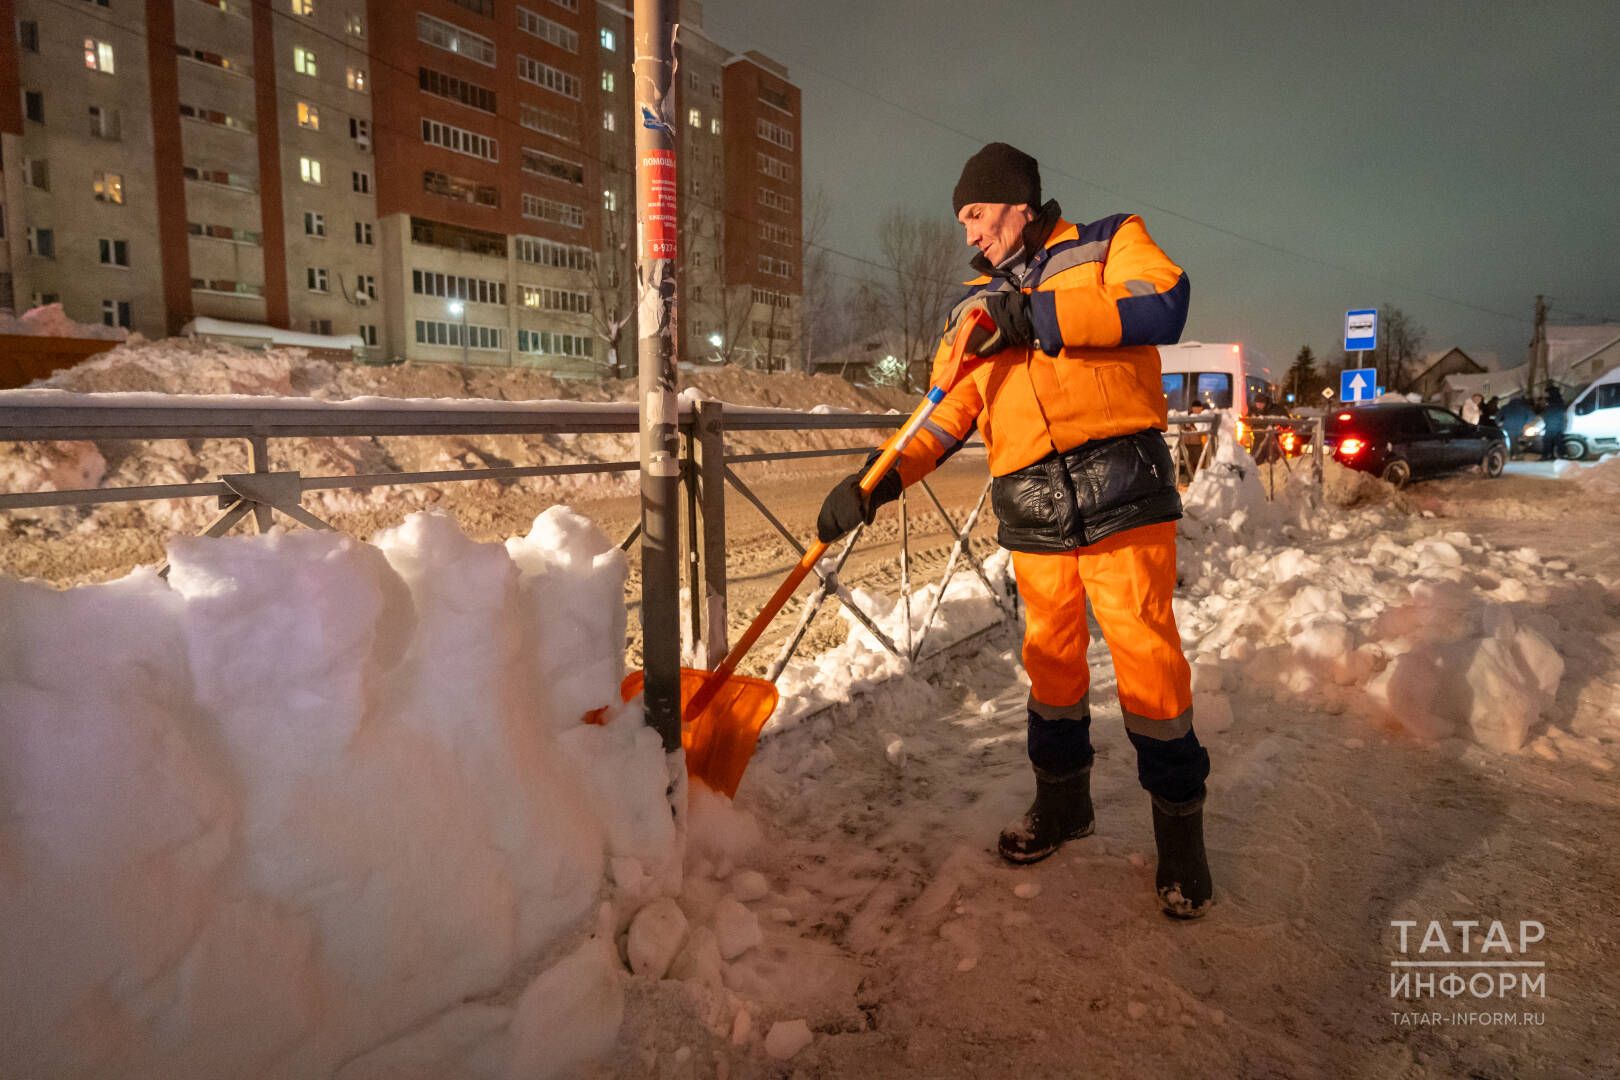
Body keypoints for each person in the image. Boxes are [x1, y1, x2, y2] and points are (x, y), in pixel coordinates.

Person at [816, 142, 1212, 919]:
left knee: (1148, 665)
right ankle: (1065, 805)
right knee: (1051, 669)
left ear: (1018, 203)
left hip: (1121, 489)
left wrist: (1037, 316)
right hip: (1032, 510)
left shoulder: (1106, 242)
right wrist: (875, 480)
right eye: (961, 220)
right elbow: (944, 412)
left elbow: (1164, 303)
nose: (970, 235)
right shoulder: (968, 311)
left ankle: (1182, 842)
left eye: (976, 214)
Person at [1541, 385, 1568, 460]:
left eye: (1547, 393)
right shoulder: (1559, 401)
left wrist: (1546, 420)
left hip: (1552, 423)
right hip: (1558, 423)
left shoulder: (1552, 402)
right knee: (1558, 439)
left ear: (1551, 393)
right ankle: (1562, 454)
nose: (1546, 394)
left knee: (1547, 440)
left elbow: (1549, 413)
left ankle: (1546, 455)